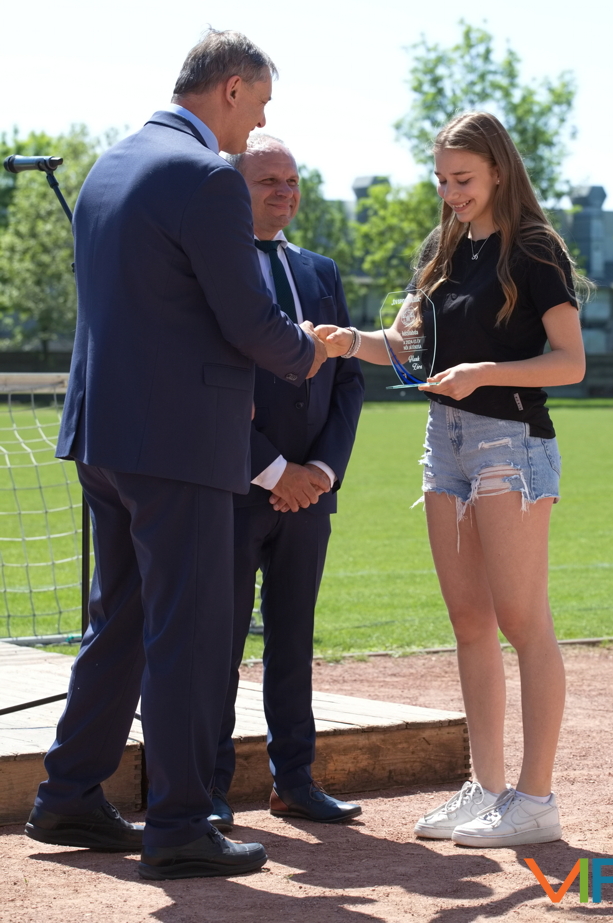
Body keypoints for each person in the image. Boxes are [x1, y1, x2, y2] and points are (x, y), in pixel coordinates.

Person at [25, 30, 330, 881]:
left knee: (120, 623)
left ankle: (69, 795)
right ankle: (181, 824)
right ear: (230, 88)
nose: (256, 124)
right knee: (188, 637)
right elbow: (249, 320)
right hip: (181, 444)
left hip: (105, 436)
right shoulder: (206, 177)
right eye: (259, 105)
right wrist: (317, 351)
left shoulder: (110, 164)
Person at [316, 111, 587, 849]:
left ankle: (536, 800)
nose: (450, 192)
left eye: (462, 178)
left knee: (523, 622)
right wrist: (347, 342)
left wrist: (482, 373)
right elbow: (403, 348)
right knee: (469, 621)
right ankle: (487, 789)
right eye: (441, 180)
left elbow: (569, 362)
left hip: (510, 443)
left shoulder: (535, 250)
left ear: (498, 169)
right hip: (445, 444)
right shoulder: (440, 251)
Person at [208, 136, 364, 829]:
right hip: (233, 487)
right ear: (233, 190)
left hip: (310, 497)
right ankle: (209, 790)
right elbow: (210, 386)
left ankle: (294, 781)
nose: (285, 191)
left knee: (295, 640)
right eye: (267, 180)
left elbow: (348, 380)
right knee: (219, 643)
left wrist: (321, 473)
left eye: (293, 180)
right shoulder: (213, 268)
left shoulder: (320, 271)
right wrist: (274, 471)